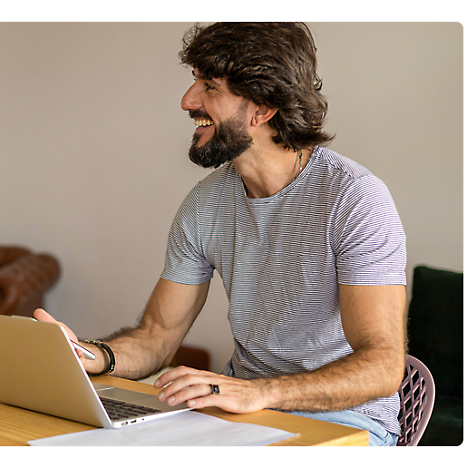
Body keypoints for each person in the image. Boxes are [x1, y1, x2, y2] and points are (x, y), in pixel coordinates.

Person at [35, 22, 407, 446]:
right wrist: (91, 356)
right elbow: (156, 338)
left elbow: (382, 365)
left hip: (347, 425)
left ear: (263, 107)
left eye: (209, 86)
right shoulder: (205, 204)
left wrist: (260, 391)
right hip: (239, 416)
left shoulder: (354, 199)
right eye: (194, 81)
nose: (187, 101)